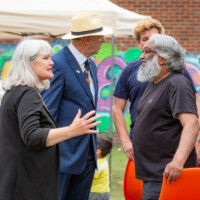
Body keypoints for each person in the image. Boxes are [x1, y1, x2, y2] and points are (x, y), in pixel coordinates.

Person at [0, 38, 101, 200]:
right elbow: (32, 136)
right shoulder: (28, 94)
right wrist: (71, 130)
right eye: (45, 58)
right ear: (29, 63)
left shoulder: (14, 91)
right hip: (25, 186)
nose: (52, 62)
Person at [41, 12, 113, 200]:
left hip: (88, 156)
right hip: (63, 158)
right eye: (100, 37)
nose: (103, 41)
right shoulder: (57, 63)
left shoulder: (92, 65)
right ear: (87, 39)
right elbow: (48, 112)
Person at [112, 18, 198, 161]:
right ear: (139, 43)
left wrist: (197, 141)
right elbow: (117, 108)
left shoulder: (178, 74)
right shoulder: (130, 70)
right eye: (145, 39)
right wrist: (126, 141)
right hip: (139, 146)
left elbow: (195, 108)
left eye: (153, 38)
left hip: (172, 146)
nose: (149, 43)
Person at [133, 34, 199, 200]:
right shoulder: (154, 82)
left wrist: (178, 162)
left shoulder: (177, 83)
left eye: (147, 52)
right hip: (153, 175)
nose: (141, 56)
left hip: (168, 175)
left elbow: (191, 124)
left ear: (162, 59)